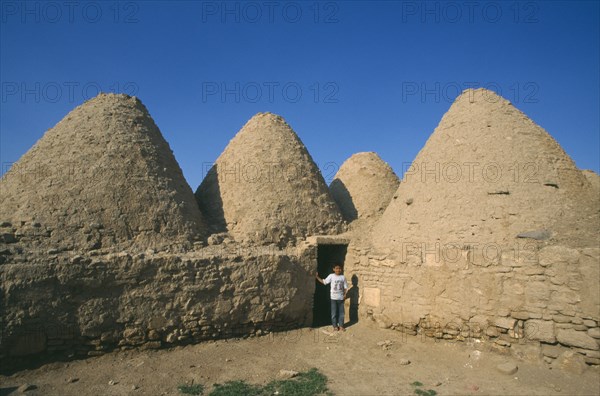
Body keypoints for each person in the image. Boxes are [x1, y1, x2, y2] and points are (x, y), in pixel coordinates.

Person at [316, 264, 349, 331]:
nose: (338, 270)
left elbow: (345, 287)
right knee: (333, 313)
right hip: (333, 298)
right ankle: (335, 326)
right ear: (333, 269)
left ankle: (341, 325)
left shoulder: (343, 277)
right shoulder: (331, 276)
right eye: (336, 268)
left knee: (341, 313)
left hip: (341, 298)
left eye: (339, 268)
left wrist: (345, 294)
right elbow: (324, 282)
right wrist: (317, 277)